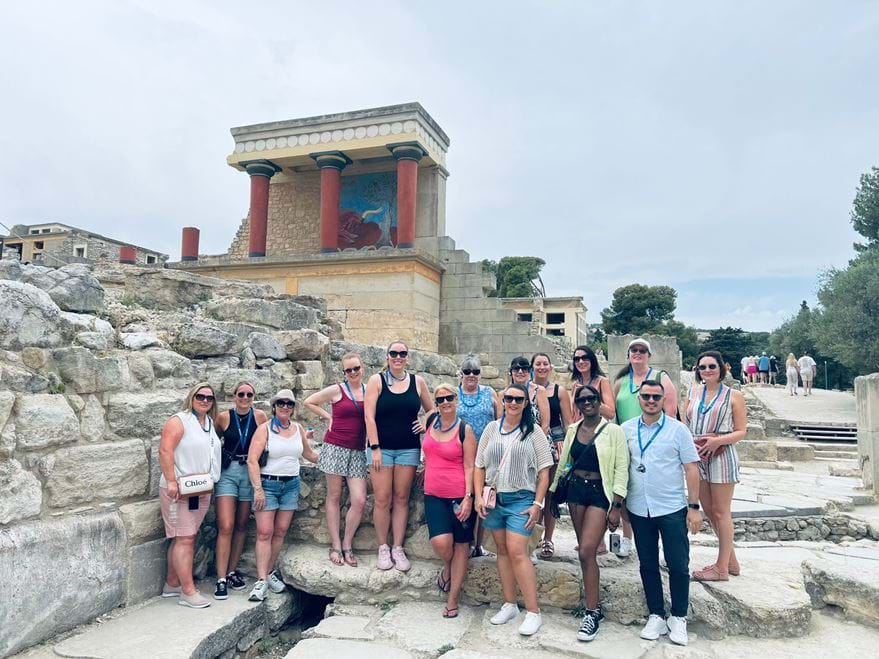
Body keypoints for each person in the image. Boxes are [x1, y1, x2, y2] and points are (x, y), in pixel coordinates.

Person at [621, 380, 702, 646]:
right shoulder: (627, 429)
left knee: (678, 564)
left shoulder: (678, 430)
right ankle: (656, 613)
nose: (651, 401)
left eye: (656, 396)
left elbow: (691, 469)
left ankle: (678, 616)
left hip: (670, 507)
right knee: (647, 564)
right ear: (639, 399)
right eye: (646, 396)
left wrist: (694, 508)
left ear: (664, 399)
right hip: (638, 506)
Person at [549, 385, 628, 642]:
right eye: (582, 400)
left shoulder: (614, 431)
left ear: (598, 401)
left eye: (591, 398)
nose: (587, 403)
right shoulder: (573, 429)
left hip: (598, 492)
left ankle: (593, 611)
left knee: (586, 549)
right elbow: (564, 464)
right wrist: (552, 493)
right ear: (577, 404)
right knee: (584, 551)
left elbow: (620, 468)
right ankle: (590, 603)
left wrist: (616, 505)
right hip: (576, 492)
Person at [474, 384, 554, 636]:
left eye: (518, 399)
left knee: (518, 552)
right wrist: (478, 495)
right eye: (508, 398)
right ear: (502, 400)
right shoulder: (491, 429)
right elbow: (479, 465)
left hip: (521, 498)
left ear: (525, 403)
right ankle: (510, 604)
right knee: (502, 552)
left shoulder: (534, 432)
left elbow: (544, 471)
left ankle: (533, 611)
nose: (512, 403)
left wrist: (538, 504)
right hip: (496, 499)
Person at [364, 340, 435, 571]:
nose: (398, 357)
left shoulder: (417, 382)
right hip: (381, 449)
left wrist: (424, 423)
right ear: (387, 357)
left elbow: (432, 409)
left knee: (402, 498)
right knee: (383, 498)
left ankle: (398, 547)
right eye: (393, 353)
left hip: (408, 447)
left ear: (407, 357)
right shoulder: (377, 381)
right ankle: (383, 547)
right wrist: (374, 447)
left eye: (402, 353)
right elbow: (369, 417)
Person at [246, 389, 320, 601]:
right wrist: (258, 489)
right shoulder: (264, 430)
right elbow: (252, 460)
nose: (285, 407)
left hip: (291, 484)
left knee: (280, 531)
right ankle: (260, 581)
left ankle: (268, 573)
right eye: (281, 403)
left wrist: (331, 458)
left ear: (293, 408)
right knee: (264, 532)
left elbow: (308, 454)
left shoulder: (298, 428)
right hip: (268, 484)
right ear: (274, 406)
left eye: (289, 404)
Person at [158, 382, 222, 609]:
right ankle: (188, 591)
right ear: (191, 397)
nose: (205, 401)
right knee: (184, 537)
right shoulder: (179, 420)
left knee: (185, 537)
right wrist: (172, 480)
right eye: (200, 396)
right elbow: (165, 449)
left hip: (199, 488)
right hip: (179, 489)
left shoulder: (207, 423)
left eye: (209, 398)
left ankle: (172, 583)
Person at [612, 337, 677, 557]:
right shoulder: (621, 381)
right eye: (633, 350)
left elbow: (670, 410)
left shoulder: (660, 378)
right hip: (627, 440)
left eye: (642, 350)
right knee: (627, 488)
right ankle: (628, 538)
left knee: (656, 486)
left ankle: (664, 542)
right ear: (628, 354)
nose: (637, 353)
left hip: (654, 440)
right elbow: (612, 412)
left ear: (649, 355)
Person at [686, 352, 747, 581]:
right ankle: (730, 561)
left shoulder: (734, 395)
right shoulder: (693, 392)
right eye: (702, 366)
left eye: (712, 366)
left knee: (722, 512)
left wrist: (717, 441)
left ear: (721, 368)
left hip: (721, 454)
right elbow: (686, 424)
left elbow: (741, 430)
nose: (707, 370)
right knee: (710, 510)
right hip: (698, 454)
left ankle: (721, 568)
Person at [304, 352, 368, 567]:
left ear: (362, 367)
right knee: (334, 496)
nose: (352, 373)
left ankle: (347, 543)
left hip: (358, 450)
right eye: (348, 370)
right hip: (335, 447)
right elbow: (309, 401)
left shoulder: (370, 391)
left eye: (355, 368)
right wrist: (328, 416)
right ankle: (336, 545)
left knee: (359, 500)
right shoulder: (337, 389)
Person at [422, 383, 478, 618]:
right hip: (433, 494)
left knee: (462, 545)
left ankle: (453, 598)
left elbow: (470, 466)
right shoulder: (429, 423)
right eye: (440, 399)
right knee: (441, 544)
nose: (445, 402)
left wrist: (468, 498)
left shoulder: (465, 430)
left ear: (457, 400)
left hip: (458, 495)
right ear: (435, 404)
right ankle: (448, 566)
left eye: (449, 398)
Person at [213, 381, 268, 599]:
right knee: (225, 525)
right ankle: (220, 578)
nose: (245, 398)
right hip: (229, 471)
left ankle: (232, 570)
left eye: (249, 394)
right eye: (241, 394)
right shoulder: (224, 417)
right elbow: (214, 441)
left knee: (242, 524)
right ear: (234, 396)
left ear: (254, 396)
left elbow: (268, 438)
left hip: (250, 472)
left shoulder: (260, 417)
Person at [455, 354, 501, 558]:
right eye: (467, 371)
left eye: (475, 371)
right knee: (465, 495)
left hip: (486, 453)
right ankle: (465, 540)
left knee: (483, 497)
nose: (471, 375)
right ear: (461, 374)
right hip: (461, 454)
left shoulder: (490, 393)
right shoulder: (454, 395)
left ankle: (479, 543)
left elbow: (500, 419)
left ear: (480, 374)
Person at [531, 352, 571, 559]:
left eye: (545, 363)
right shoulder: (525, 389)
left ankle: (548, 537)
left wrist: (568, 448)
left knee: (550, 493)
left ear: (550, 367)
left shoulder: (559, 391)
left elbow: (567, 421)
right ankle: (534, 535)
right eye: (538, 364)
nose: (542, 367)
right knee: (533, 491)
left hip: (554, 442)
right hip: (529, 441)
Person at [570, 345, 615, 421]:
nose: (581, 362)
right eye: (577, 359)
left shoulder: (602, 382)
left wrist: (590, 398)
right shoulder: (575, 385)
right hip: (580, 428)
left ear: (592, 360)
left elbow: (611, 414)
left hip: (598, 428)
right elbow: (572, 413)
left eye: (585, 358)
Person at [509, 355, 550, 434]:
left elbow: (545, 424)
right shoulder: (504, 394)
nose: (520, 372)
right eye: (516, 369)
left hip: (537, 438)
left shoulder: (539, 391)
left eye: (524, 369)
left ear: (529, 371)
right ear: (511, 372)